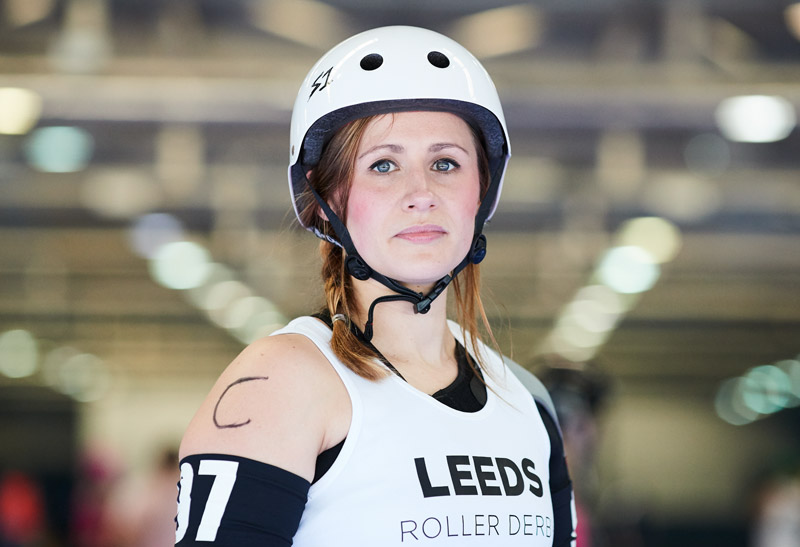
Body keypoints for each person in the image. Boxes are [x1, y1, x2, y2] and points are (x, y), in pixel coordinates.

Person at [176, 25, 576, 546]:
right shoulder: (282, 383)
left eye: (445, 163)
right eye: (383, 165)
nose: (422, 193)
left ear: (481, 192)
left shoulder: (527, 401)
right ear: (327, 201)